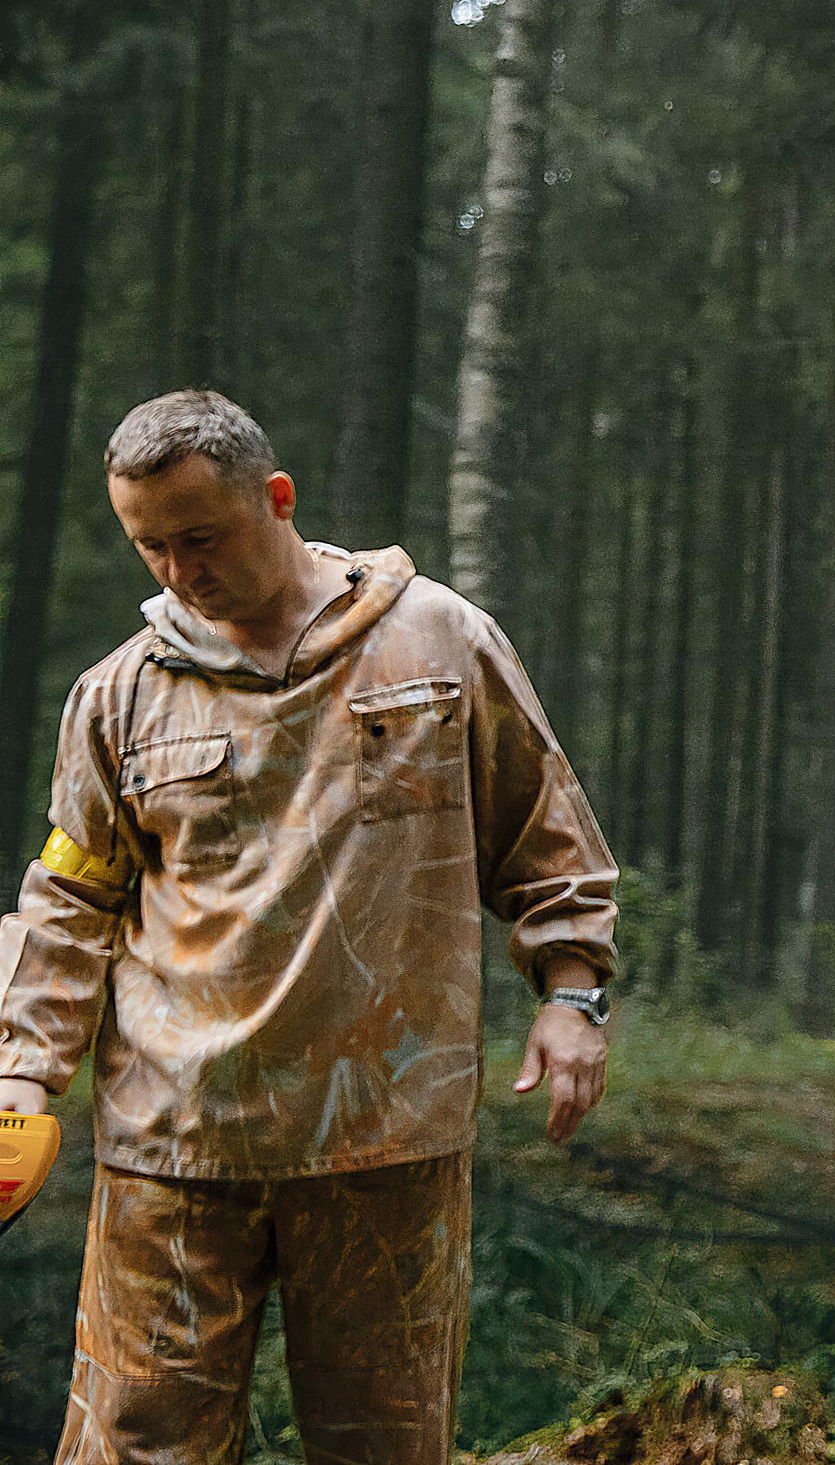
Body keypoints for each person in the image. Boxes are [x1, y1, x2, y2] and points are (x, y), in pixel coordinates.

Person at [0, 390, 619, 1463]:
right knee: (135, 1448)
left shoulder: (437, 642)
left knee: (384, 1446)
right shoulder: (119, 696)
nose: (181, 570)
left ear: (277, 498)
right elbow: (72, 895)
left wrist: (573, 994)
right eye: (151, 546)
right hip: (175, 1143)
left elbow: (545, 834)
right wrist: (21, 1070)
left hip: (387, 1137)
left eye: (202, 536)